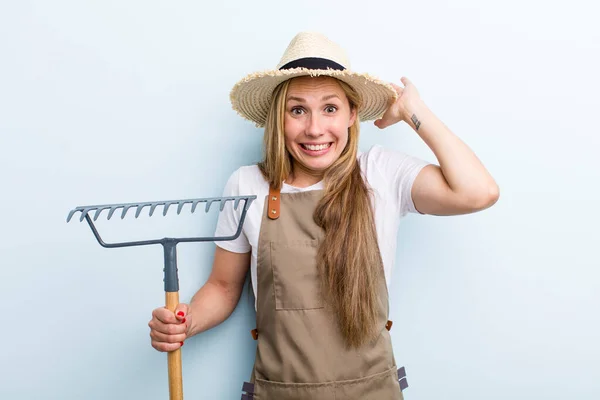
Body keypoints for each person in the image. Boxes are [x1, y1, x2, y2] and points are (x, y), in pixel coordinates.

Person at [148, 32, 499, 399]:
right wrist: (186, 323)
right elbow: (222, 287)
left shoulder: (380, 173)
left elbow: (478, 192)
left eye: (330, 108)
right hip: (279, 391)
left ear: (352, 113)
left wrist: (414, 112)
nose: (315, 129)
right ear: (278, 118)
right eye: (297, 109)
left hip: (372, 391)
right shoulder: (247, 185)